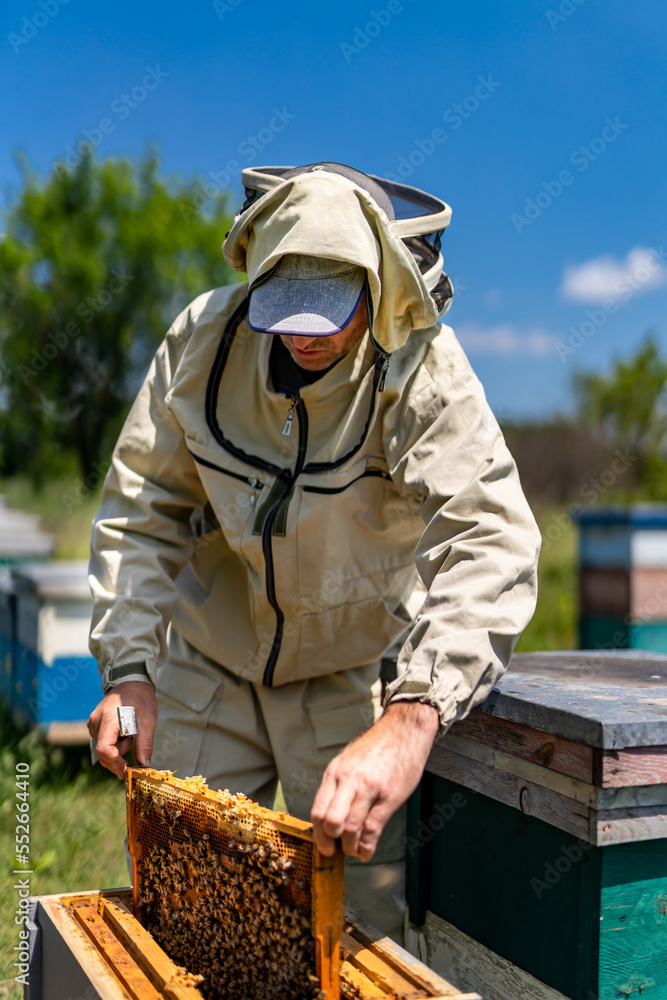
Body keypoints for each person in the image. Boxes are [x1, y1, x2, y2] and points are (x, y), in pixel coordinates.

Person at [87, 162, 540, 940]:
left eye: (331, 311)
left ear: (380, 288)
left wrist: (412, 714)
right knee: (183, 907)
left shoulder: (422, 371)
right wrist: (128, 672)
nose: (306, 336)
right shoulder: (200, 343)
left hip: (348, 675)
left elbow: (490, 537)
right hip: (209, 660)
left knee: (360, 927)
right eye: (285, 309)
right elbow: (142, 508)